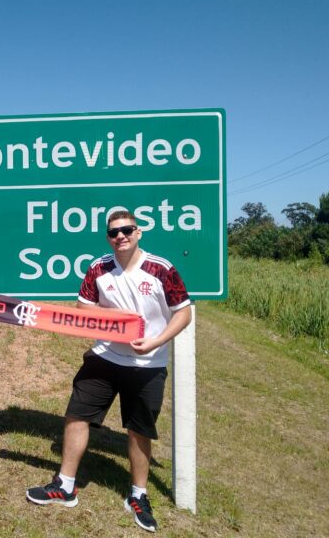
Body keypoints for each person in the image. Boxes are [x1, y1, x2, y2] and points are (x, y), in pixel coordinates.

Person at [25, 210, 191, 533]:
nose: (121, 237)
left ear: (138, 232)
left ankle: (138, 496)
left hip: (148, 363)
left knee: (139, 429)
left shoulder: (161, 269)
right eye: (114, 233)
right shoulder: (98, 268)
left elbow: (183, 313)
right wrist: (116, 319)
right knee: (77, 413)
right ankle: (65, 485)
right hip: (105, 356)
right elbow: (83, 308)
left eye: (127, 230)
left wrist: (156, 340)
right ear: (108, 237)